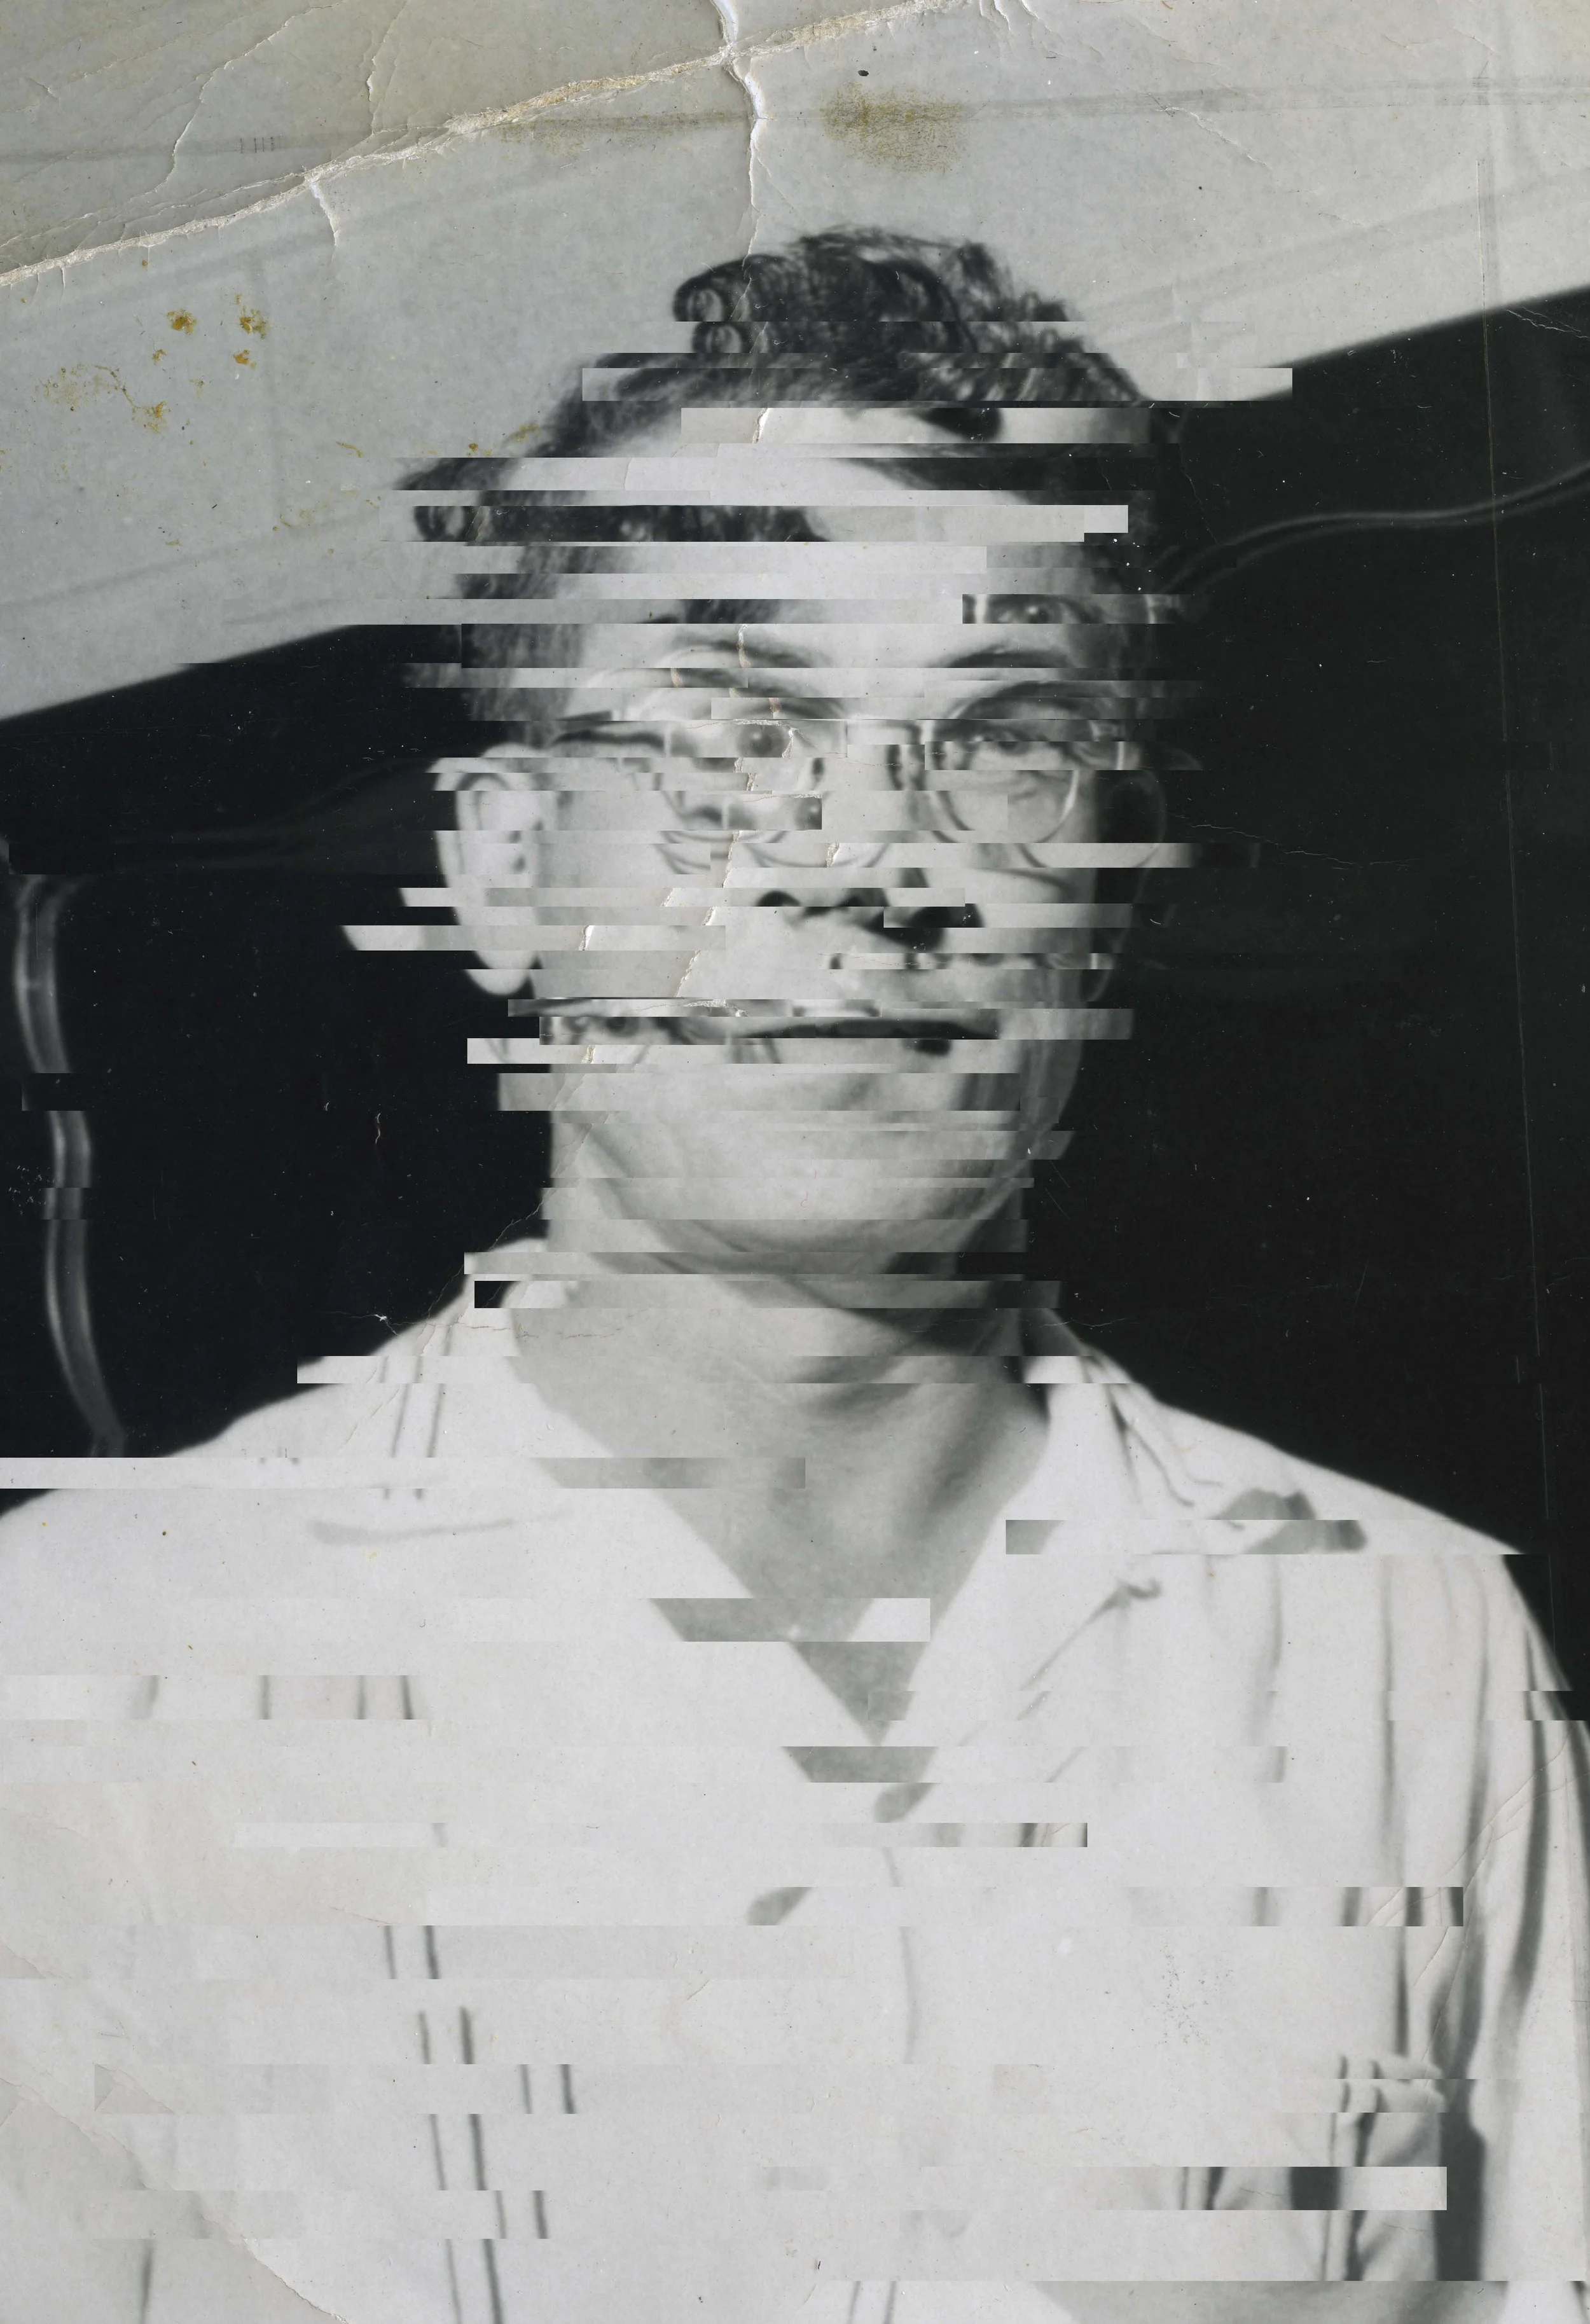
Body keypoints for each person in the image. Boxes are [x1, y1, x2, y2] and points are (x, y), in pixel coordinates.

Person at [0, 230, 1585, 2324]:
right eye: (724, 736)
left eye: (1000, 741)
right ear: (503, 870)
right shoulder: (89, 1670)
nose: (863, 860)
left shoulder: (1403, 1646)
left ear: (1100, 897)